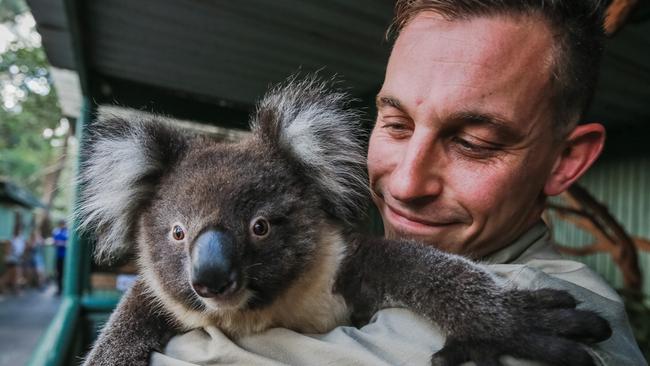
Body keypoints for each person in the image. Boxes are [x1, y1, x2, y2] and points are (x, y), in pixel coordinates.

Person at [151, 1, 645, 365]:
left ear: (565, 161)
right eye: (396, 125)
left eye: (473, 141)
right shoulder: (337, 257)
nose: (406, 184)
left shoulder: (549, 321)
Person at [52, 219, 69, 295]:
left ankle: (65, 289)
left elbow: (67, 244)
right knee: (59, 273)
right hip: (59, 256)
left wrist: (61, 243)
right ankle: (59, 289)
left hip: (66, 257)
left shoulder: (68, 232)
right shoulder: (56, 232)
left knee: (65, 273)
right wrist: (63, 243)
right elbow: (55, 242)